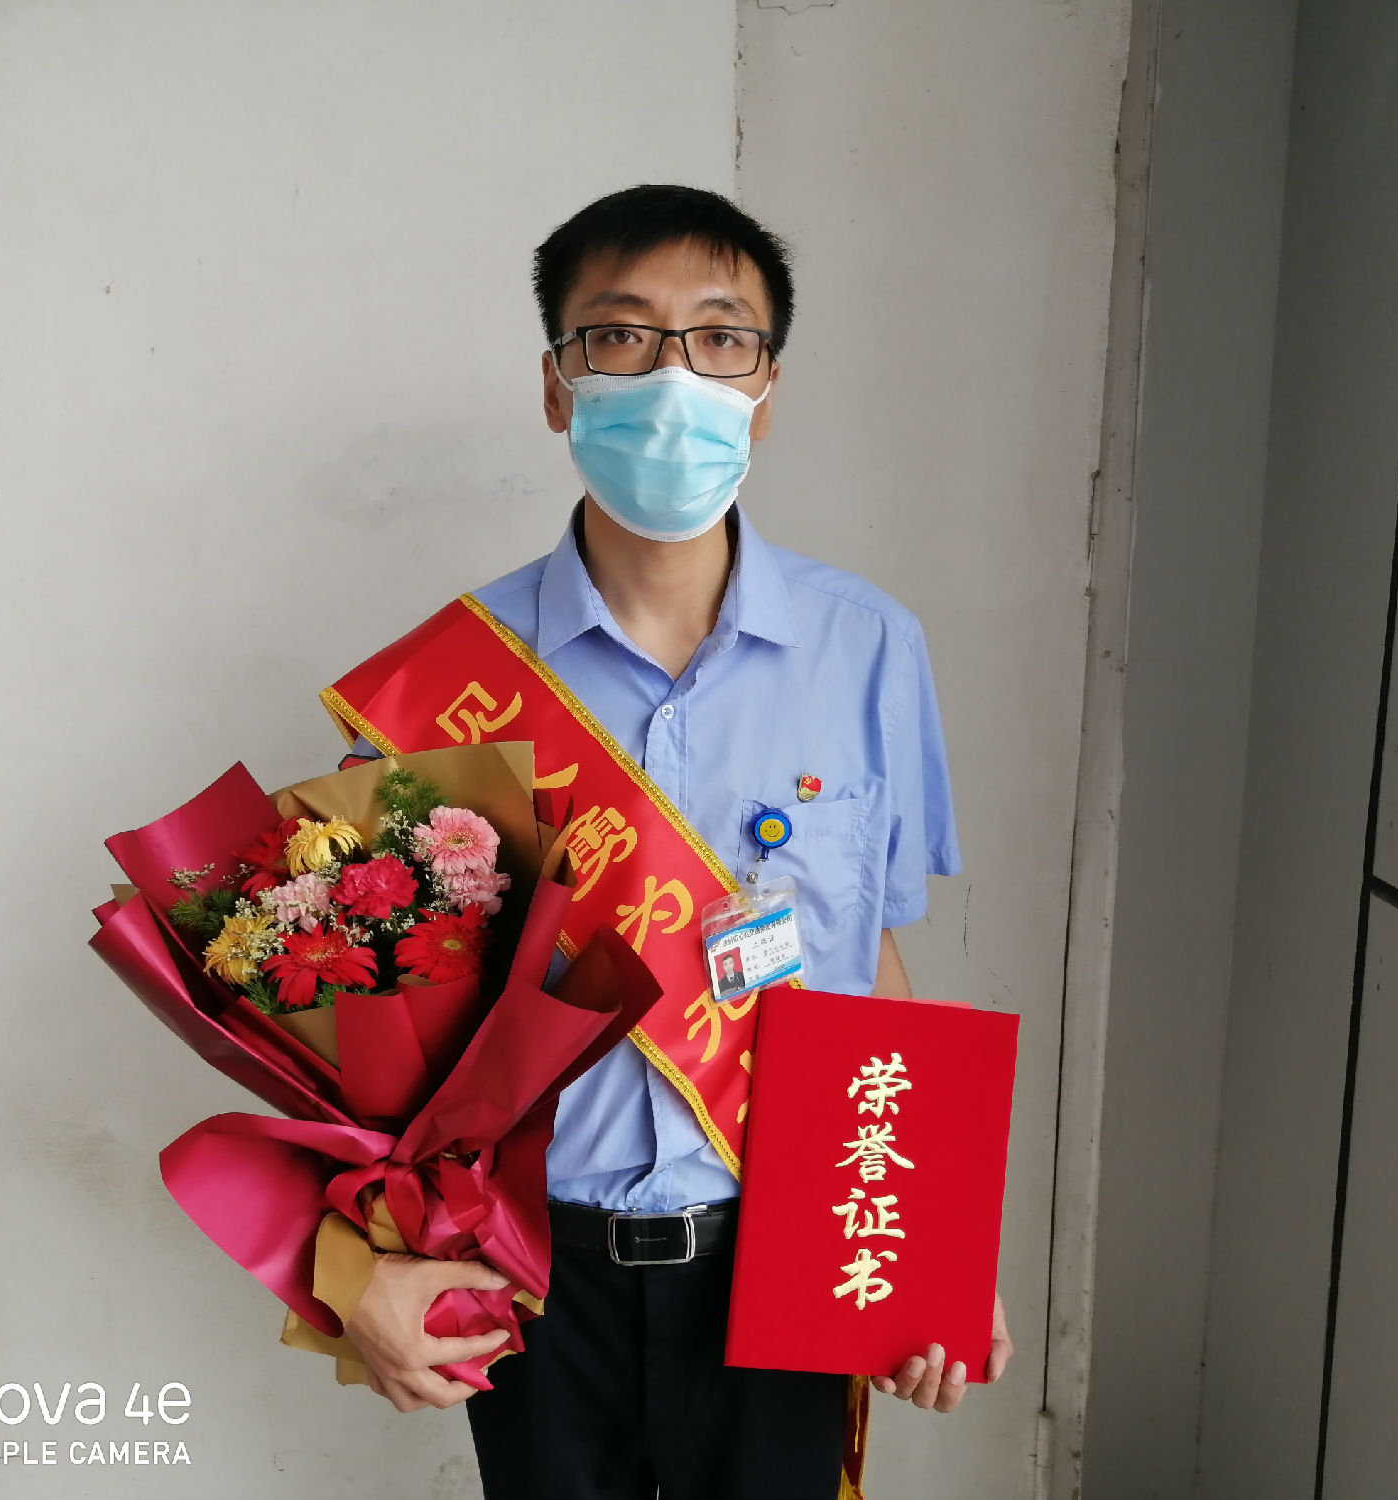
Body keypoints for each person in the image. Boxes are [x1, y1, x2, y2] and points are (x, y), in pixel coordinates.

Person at [340, 184, 1013, 1499]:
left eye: (719, 337)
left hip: (787, 1252)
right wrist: (360, 1260)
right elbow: (376, 1024)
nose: (672, 377)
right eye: (621, 336)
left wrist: (933, 1247)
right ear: (557, 386)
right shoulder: (446, 684)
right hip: (530, 1271)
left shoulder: (869, 647)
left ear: (767, 388)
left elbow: (869, 959)